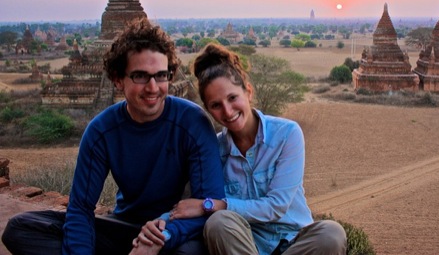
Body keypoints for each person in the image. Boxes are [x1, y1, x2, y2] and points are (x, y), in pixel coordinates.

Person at [2, 19, 225, 255]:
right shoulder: (102, 131)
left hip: (172, 229)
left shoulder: (192, 122)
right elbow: (81, 208)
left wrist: (159, 238)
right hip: (123, 226)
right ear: (118, 79)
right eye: (140, 76)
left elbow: (210, 203)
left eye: (161, 75)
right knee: (20, 229)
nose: (153, 87)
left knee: (191, 252)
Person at [134, 43, 347, 255]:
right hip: (245, 245)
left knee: (332, 233)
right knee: (218, 223)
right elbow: (190, 202)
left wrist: (212, 205)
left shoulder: (287, 134)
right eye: (216, 105)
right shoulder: (213, 150)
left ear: (248, 92)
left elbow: (276, 206)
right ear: (208, 110)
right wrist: (159, 224)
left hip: (294, 240)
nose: (227, 111)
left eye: (232, 98)